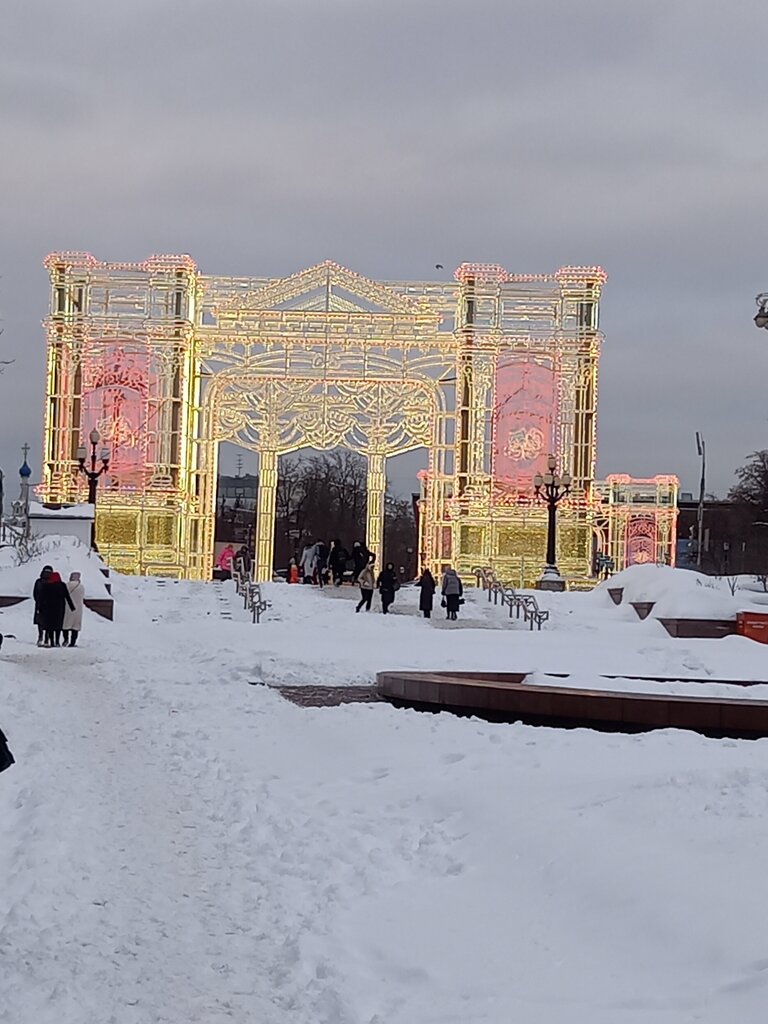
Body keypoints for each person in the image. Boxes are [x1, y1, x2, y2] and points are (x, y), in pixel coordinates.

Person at [39, 571, 75, 647]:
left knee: (50, 626)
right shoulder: (62, 585)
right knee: (58, 625)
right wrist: (72, 607)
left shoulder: (47, 585)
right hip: (60, 608)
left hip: (49, 609)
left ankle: (51, 642)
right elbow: (67, 596)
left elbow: (42, 598)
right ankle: (57, 641)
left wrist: (40, 607)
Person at [62, 571, 85, 647]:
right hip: (78, 609)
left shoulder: (67, 585)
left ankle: (66, 640)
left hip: (68, 608)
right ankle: (72, 642)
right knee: (75, 626)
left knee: (66, 624)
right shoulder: (81, 587)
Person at [33, 565, 53, 646]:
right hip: (49, 605)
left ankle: (40, 637)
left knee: (40, 622)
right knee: (47, 622)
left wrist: (38, 601)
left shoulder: (38, 581)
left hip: (39, 604)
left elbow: (35, 593)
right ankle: (46, 638)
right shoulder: (51, 582)